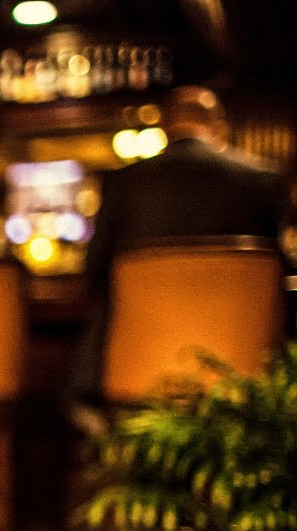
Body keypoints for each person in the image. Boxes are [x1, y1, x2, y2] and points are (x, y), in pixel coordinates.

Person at [68, 85, 288, 409]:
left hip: (138, 370)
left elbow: (94, 272)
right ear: (220, 129)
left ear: (163, 129)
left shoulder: (124, 182)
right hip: (245, 373)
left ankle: (123, 455)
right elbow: (280, 276)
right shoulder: (263, 180)